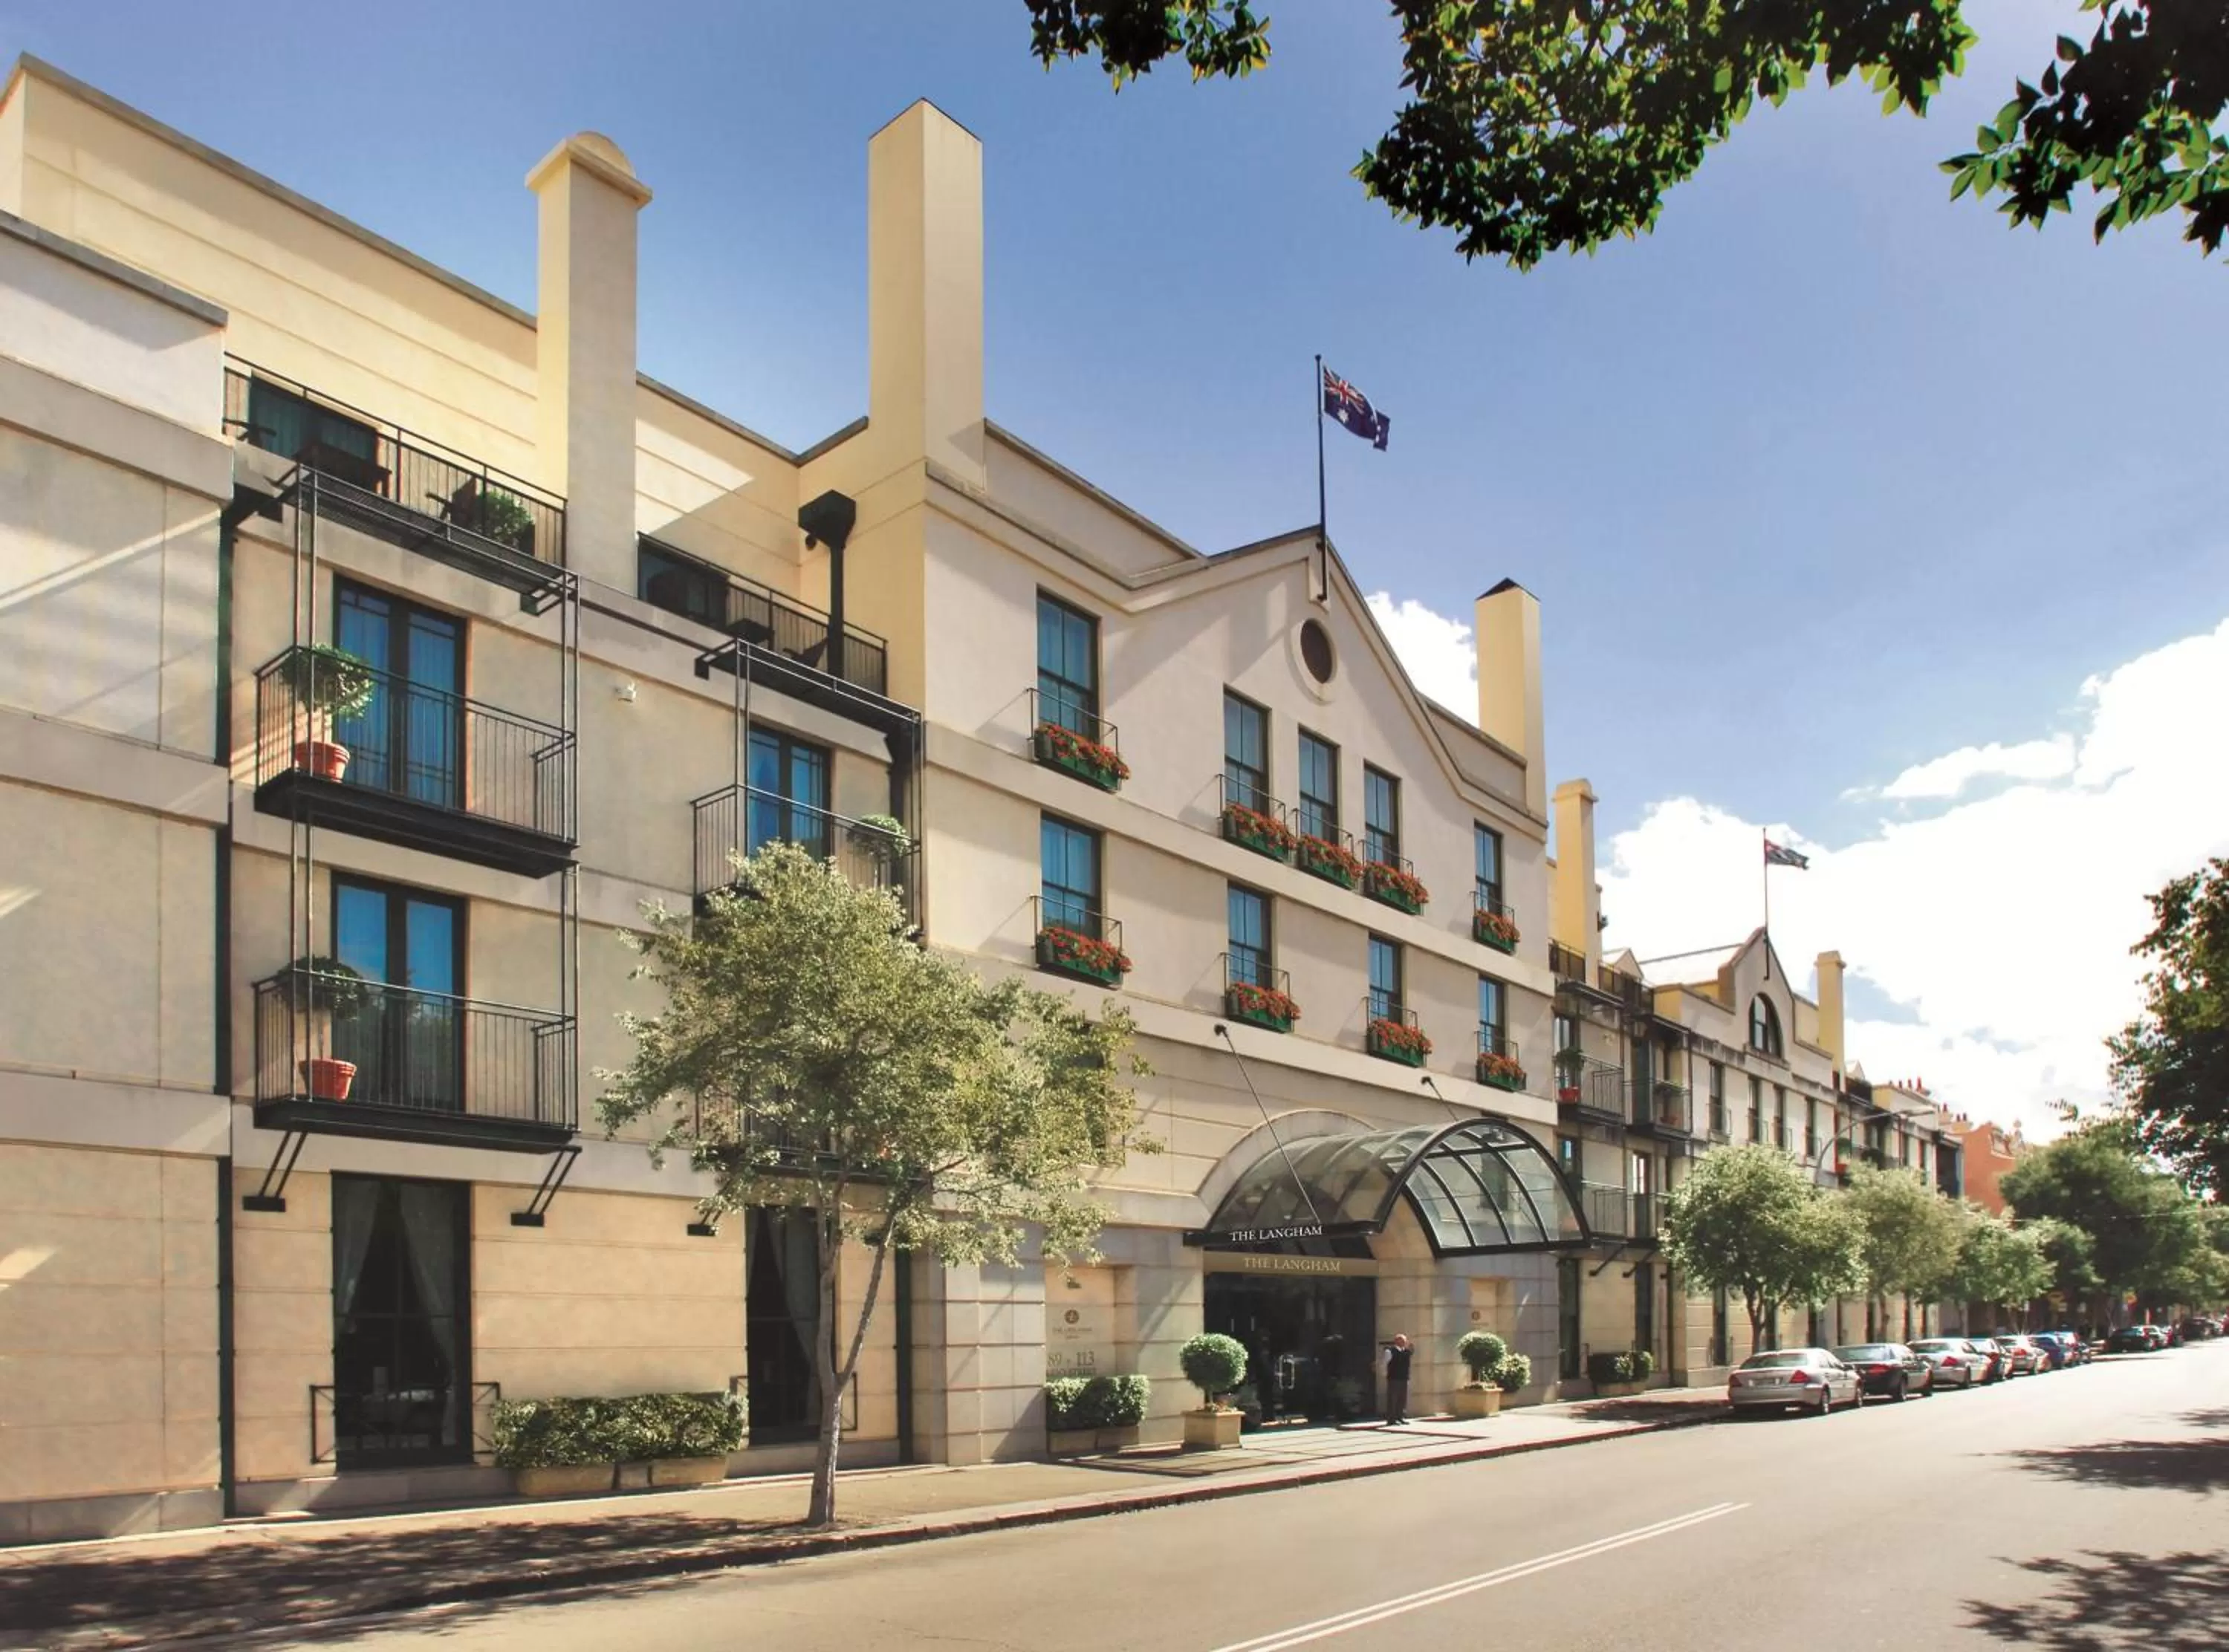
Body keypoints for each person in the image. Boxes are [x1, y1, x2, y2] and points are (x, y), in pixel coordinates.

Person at [1381, 1333, 1412, 1425]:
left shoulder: (1406, 1352)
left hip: (1404, 1378)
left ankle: (1400, 1417)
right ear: (1396, 1341)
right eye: (1402, 1341)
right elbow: (1384, 1364)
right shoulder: (1390, 1351)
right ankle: (1391, 1419)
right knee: (1393, 1399)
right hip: (1394, 1379)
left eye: (1405, 1341)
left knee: (1402, 1399)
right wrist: (1386, 1374)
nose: (1404, 1342)